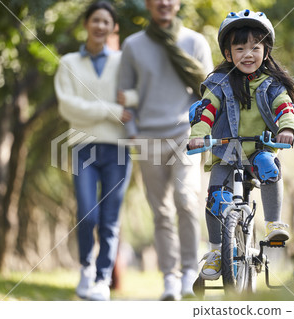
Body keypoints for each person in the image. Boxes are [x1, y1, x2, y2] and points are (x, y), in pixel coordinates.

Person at [188, 9, 294, 280]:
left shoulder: (272, 84)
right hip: (227, 154)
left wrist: (286, 127)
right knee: (215, 197)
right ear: (228, 54)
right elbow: (206, 110)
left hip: (259, 149)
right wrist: (199, 133)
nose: (248, 54)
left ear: (266, 51)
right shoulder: (218, 83)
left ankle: (273, 223)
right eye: (240, 48)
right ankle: (216, 251)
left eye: (255, 47)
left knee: (270, 165)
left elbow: (284, 107)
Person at [118, 0, 213, 300]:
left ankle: (188, 273)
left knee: (186, 200)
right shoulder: (132, 46)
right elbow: (124, 96)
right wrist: (133, 134)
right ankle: (170, 278)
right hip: (148, 137)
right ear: (147, 4)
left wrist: (203, 131)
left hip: (186, 135)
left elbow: (211, 92)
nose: (163, 2)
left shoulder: (195, 42)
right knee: (160, 212)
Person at [54, 1, 137, 301]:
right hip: (83, 146)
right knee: (87, 213)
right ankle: (86, 268)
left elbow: (136, 96)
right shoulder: (68, 63)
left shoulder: (123, 61)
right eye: (95, 20)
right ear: (86, 23)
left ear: (113, 27)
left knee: (110, 218)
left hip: (118, 149)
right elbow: (69, 108)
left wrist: (126, 102)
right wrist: (112, 110)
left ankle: (103, 279)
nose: (100, 26)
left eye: (106, 21)